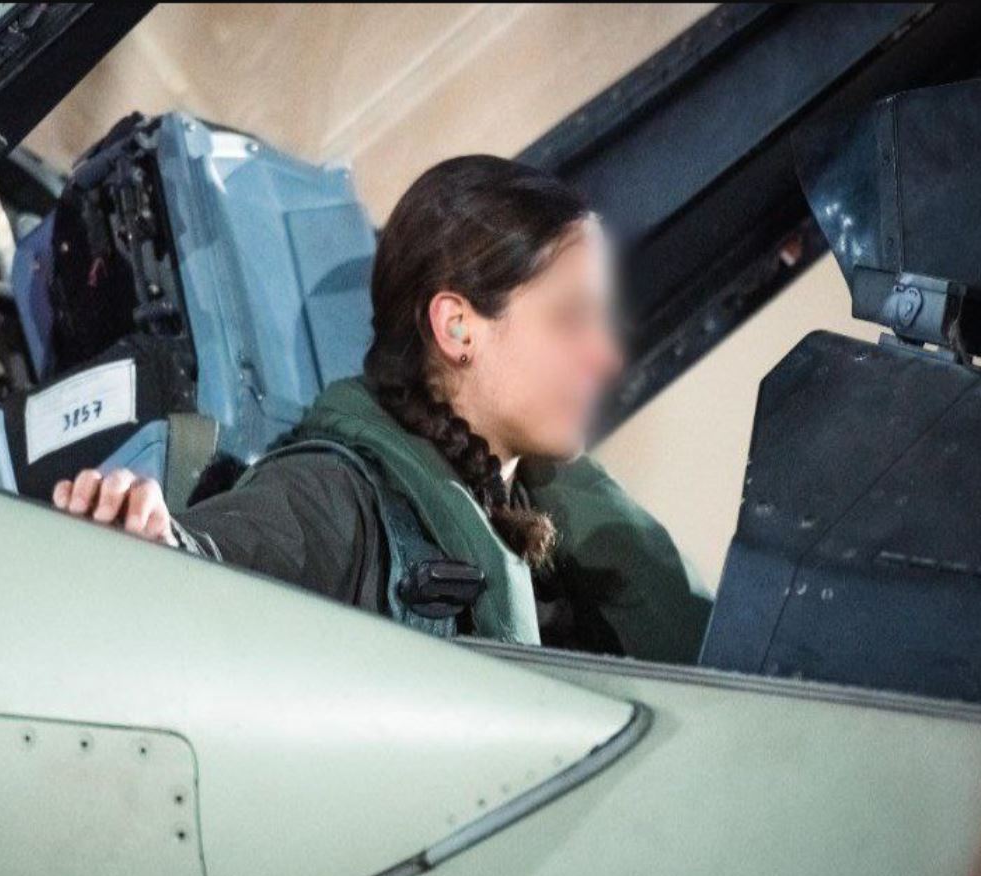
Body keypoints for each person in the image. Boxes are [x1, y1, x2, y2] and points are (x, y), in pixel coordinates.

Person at [50, 155, 711, 660]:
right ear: (458, 327)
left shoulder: (544, 525)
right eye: (569, 319)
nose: (606, 356)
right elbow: (222, 556)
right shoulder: (336, 497)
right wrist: (153, 544)